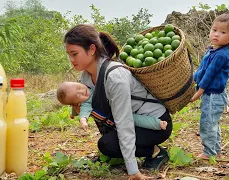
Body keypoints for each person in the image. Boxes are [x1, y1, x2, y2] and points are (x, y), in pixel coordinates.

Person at [64, 24, 173, 180]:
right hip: (134, 121)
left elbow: (125, 123)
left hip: (155, 123)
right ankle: (125, 151)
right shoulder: (86, 76)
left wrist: (133, 171)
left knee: (108, 145)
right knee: (107, 145)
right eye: (69, 54)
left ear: (92, 49)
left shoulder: (115, 76)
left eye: (75, 54)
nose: (71, 59)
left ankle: (156, 152)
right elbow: (89, 105)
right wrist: (77, 111)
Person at [191, 13, 229, 159]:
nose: (216, 34)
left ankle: (209, 152)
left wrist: (198, 92)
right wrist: (192, 80)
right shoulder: (212, 50)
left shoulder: (221, 55)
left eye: (223, 32)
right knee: (212, 122)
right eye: (214, 30)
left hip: (214, 95)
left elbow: (209, 76)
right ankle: (215, 149)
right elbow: (202, 70)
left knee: (208, 123)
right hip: (211, 94)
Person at [56, 81, 168, 131]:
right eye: (78, 95)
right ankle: (157, 124)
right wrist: (82, 120)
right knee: (134, 119)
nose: (82, 92)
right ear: (77, 102)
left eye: (78, 87)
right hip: (116, 114)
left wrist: (73, 113)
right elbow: (83, 111)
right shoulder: (86, 102)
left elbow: (74, 105)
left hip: (120, 103)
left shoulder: (88, 82)